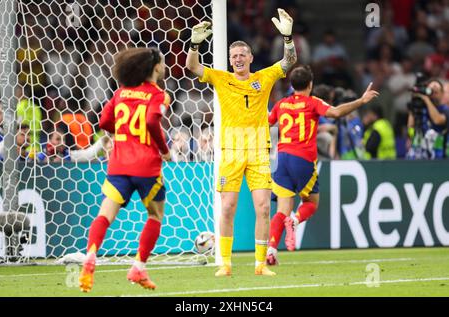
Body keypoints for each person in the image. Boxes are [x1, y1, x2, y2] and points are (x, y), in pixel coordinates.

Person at [186, 8, 297, 277]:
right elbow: (192, 66)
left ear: (250, 58)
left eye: (241, 55)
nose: (237, 59)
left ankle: (260, 265)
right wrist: (194, 45)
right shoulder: (221, 78)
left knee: (262, 207)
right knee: (227, 207)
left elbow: (288, 62)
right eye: (233, 56)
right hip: (231, 152)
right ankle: (225, 263)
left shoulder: (264, 77)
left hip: (259, 152)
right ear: (229, 59)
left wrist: (288, 39)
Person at [79, 47, 171, 292]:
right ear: (155, 68)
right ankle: (138, 266)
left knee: (104, 216)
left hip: (118, 165)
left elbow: (103, 122)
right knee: (154, 216)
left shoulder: (120, 93)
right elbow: (152, 120)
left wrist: (121, 131)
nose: (163, 67)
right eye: (162, 63)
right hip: (146, 167)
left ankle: (90, 255)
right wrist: (164, 149)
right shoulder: (159, 95)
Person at [266, 66, 379, 265]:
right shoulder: (313, 102)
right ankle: (295, 220)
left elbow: (266, 122)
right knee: (311, 203)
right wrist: (361, 100)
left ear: (291, 85)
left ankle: (272, 250)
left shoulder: (281, 104)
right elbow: (335, 113)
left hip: (282, 160)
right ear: (310, 85)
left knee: (281, 210)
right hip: (303, 160)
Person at [407, 79, 449, 159]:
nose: (433, 94)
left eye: (436, 92)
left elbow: (437, 120)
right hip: (421, 152)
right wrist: (414, 104)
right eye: (431, 90)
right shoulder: (422, 109)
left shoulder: (445, 109)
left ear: (442, 94)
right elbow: (410, 125)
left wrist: (426, 99)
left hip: (437, 154)